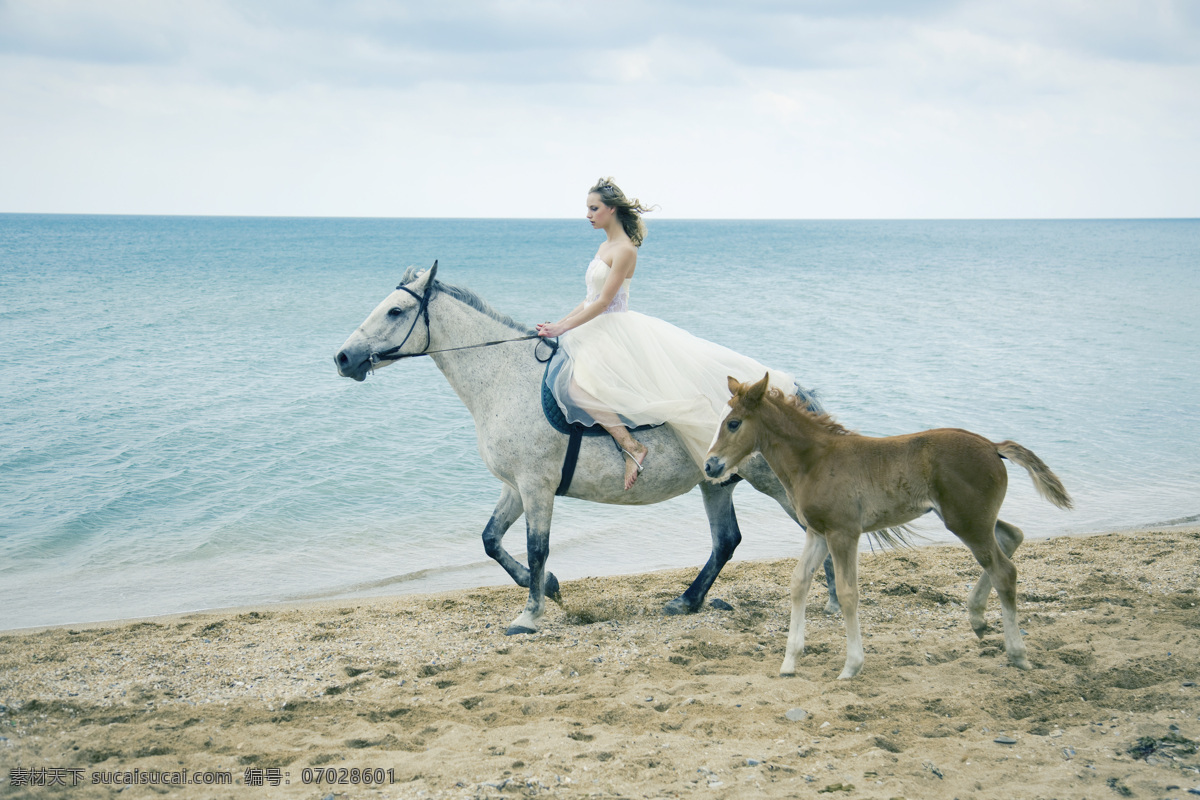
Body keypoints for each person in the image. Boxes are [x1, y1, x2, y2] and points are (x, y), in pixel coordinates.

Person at [538, 177, 794, 491]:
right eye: (587, 209)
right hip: (593, 327)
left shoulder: (626, 250)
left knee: (578, 389)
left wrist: (565, 327)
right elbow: (589, 298)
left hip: (615, 330)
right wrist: (558, 324)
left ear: (612, 209)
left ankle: (632, 446)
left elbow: (605, 301)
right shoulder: (604, 246)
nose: (588, 215)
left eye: (594, 208)